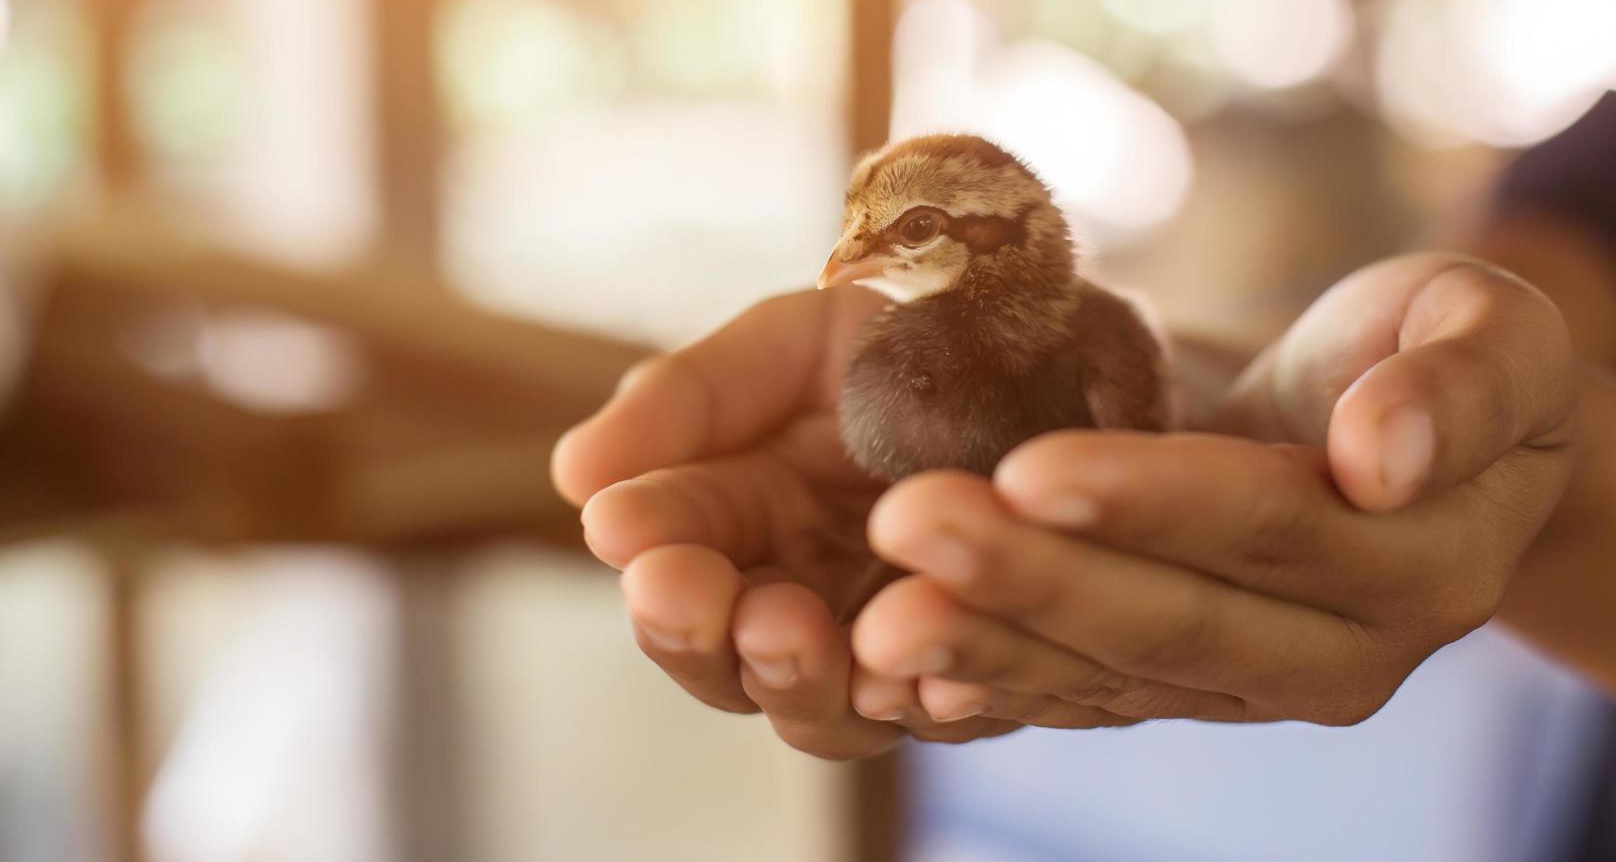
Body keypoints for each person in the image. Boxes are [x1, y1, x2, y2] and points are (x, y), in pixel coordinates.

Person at [551, 94, 1616, 761]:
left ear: (996, 239)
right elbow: (1550, 257)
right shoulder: (899, 363)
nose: (855, 259)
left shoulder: (1085, 353)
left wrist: (1558, 493)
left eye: (909, 231)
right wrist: (1273, 373)